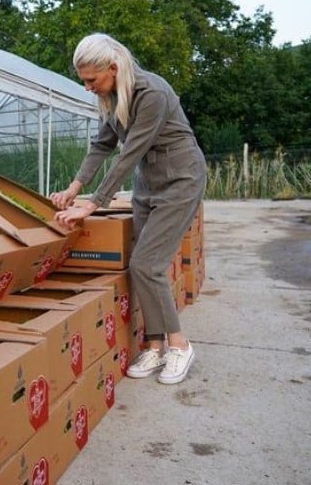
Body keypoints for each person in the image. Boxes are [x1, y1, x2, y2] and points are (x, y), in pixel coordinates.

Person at [51, 33, 207, 384]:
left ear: (113, 67)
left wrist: (92, 204)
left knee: (146, 264)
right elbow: (102, 144)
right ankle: (154, 346)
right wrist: (74, 188)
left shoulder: (152, 93)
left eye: (92, 80)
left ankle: (179, 346)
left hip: (180, 180)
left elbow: (130, 152)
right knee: (140, 264)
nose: (88, 87)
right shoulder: (113, 97)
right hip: (148, 183)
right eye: (84, 81)